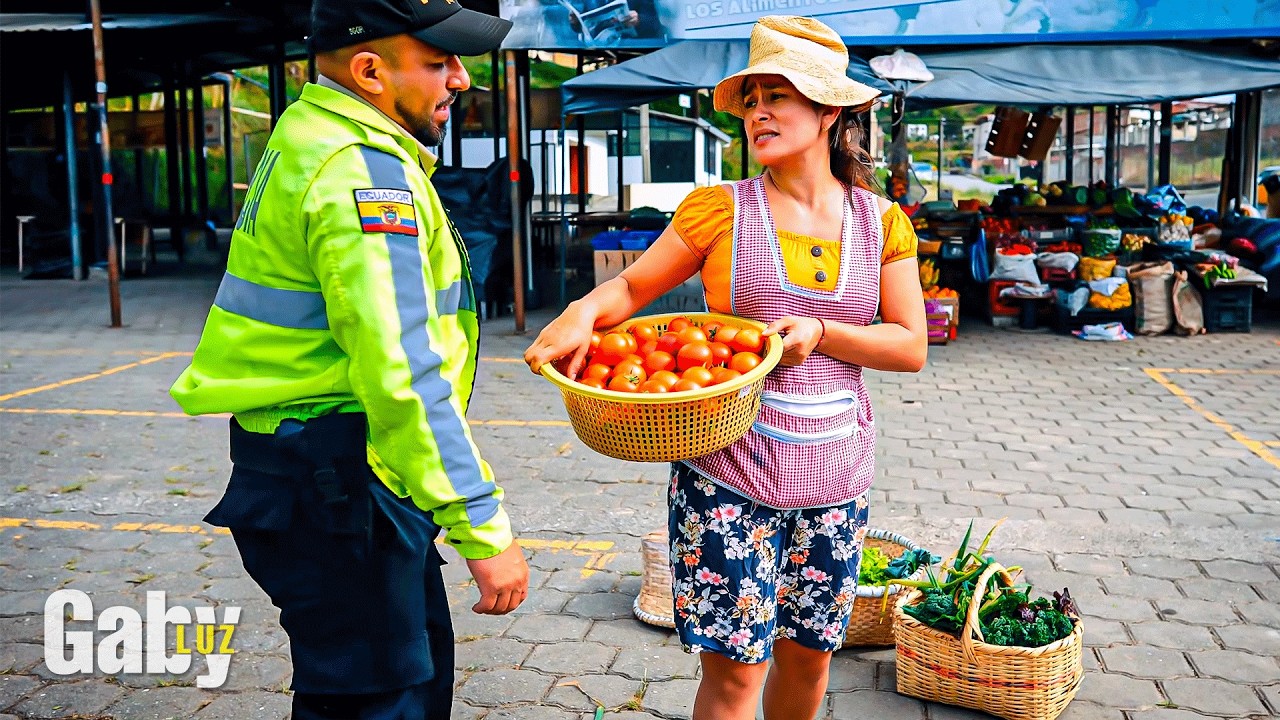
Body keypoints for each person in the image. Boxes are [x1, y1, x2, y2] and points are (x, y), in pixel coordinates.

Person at [524, 15, 926, 720]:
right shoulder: (719, 211)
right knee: (738, 674)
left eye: (780, 95)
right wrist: (583, 314)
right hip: (727, 473)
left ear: (829, 111)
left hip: (835, 480)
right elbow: (628, 290)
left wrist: (824, 332)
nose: (759, 112)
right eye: (751, 100)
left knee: (808, 663)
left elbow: (909, 345)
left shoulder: (882, 221)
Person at [169, 2, 527, 718]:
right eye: (439, 61)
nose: (459, 80)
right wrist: (483, 528)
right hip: (337, 479)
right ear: (368, 70)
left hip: (325, 469)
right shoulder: (361, 171)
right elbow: (401, 369)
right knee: (380, 698)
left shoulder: (313, 133)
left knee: (404, 674)